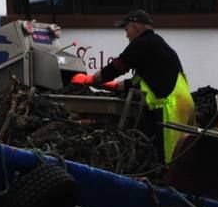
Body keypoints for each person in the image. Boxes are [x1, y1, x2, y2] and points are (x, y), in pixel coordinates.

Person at [72, 9, 195, 162]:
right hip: (184, 103)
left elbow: (117, 67)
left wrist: (89, 80)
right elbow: (137, 82)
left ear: (135, 26)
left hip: (169, 107)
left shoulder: (141, 44)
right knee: (180, 153)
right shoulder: (158, 46)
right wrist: (111, 86)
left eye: (126, 29)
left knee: (168, 159)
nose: (126, 35)